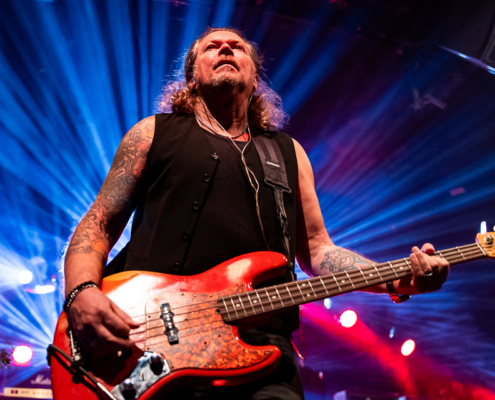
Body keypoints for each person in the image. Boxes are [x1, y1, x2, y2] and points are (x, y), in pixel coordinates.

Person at [63, 27, 450, 399]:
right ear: (191, 77)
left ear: (255, 79)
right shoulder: (151, 133)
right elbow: (99, 224)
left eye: (237, 47)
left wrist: (397, 280)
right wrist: (80, 292)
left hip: (264, 357)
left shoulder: (287, 152)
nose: (226, 48)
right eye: (212, 46)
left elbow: (318, 250)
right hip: (151, 345)